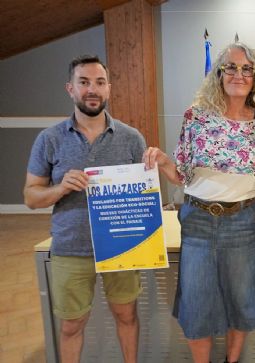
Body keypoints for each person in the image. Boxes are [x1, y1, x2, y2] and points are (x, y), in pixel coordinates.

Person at [143, 41, 255, 363]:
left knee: (242, 301)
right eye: (231, 67)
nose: (239, 74)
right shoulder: (196, 118)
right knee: (197, 304)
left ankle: (231, 361)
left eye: (247, 69)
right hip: (199, 223)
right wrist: (163, 161)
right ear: (218, 74)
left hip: (243, 222)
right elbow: (182, 175)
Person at [23, 55, 146, 363]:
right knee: (71, 325)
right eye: (84, 82)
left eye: (100, 82)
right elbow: (30, 197)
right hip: (70, 246)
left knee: (127, 316)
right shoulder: (49, 139)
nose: (93, 89)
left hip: (122, 246)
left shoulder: (132, 138)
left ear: (109, 89)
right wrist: (61, 187)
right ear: (70, 89)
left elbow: (145, 194)